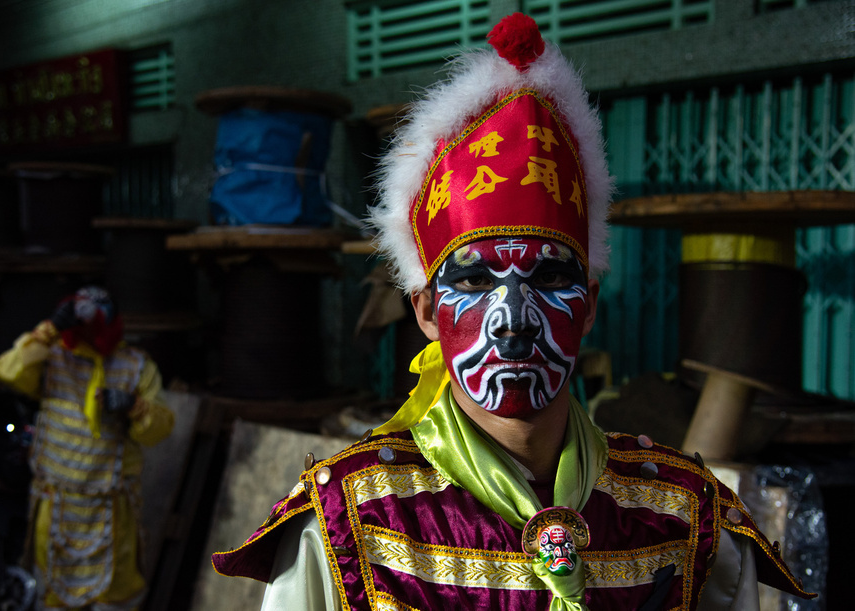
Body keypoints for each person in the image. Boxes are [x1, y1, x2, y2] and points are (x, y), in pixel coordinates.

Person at [212, 13, 815, 610]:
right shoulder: (348, 526)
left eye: (551, 276)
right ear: (425, 311)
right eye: (474, 280)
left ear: (588, 309)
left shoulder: (684, 521)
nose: (515, 317)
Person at [0, 286, 174, 610]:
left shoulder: (135, 366)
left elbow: (159, 429)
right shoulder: (53, 356)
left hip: (110, 507)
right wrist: (48, 330)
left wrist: (133, 405)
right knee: (53, 592)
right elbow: (9, 370)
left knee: (116, 595)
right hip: (57, 503)